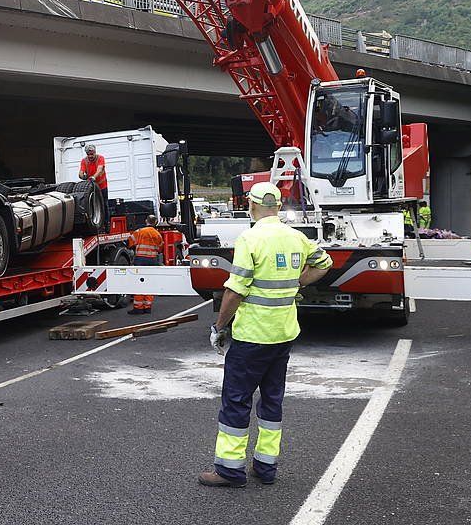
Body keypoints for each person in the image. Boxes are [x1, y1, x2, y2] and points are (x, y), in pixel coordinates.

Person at [198, 182, 333, 489]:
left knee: (236, 400)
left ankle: (230, 471)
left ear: (251, 205)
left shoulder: (250, 238)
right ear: (278, 205)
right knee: (272, 402)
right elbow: (325, 263)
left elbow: (235, 291)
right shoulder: (296, 236)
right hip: (283, 335)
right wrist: (297, 282)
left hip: (252, 336)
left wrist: (219, 327)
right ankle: (266, 466)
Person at [127, 215, 165, 315]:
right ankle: (147, 307)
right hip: (152, 260)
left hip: (140, 259)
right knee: (149, 283)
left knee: (139, 283)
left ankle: (138, 308)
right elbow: (160, 248)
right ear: (155, 222)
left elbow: (130, 242)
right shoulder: (157, 234)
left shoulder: (140, 231)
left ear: (146, 221)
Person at [78, 144, 109, 222]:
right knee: (92, 205)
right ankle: (95, 221)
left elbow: (99, 169)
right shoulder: (84, 161)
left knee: (104, 204)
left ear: (95, 152)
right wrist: (82, 176)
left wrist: (94, 177)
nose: (90, 156)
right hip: (91, 188)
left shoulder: (100, 158)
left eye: (92, 154)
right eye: (88, 154)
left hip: (102, 186)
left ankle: (106, 223)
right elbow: (81, 172)